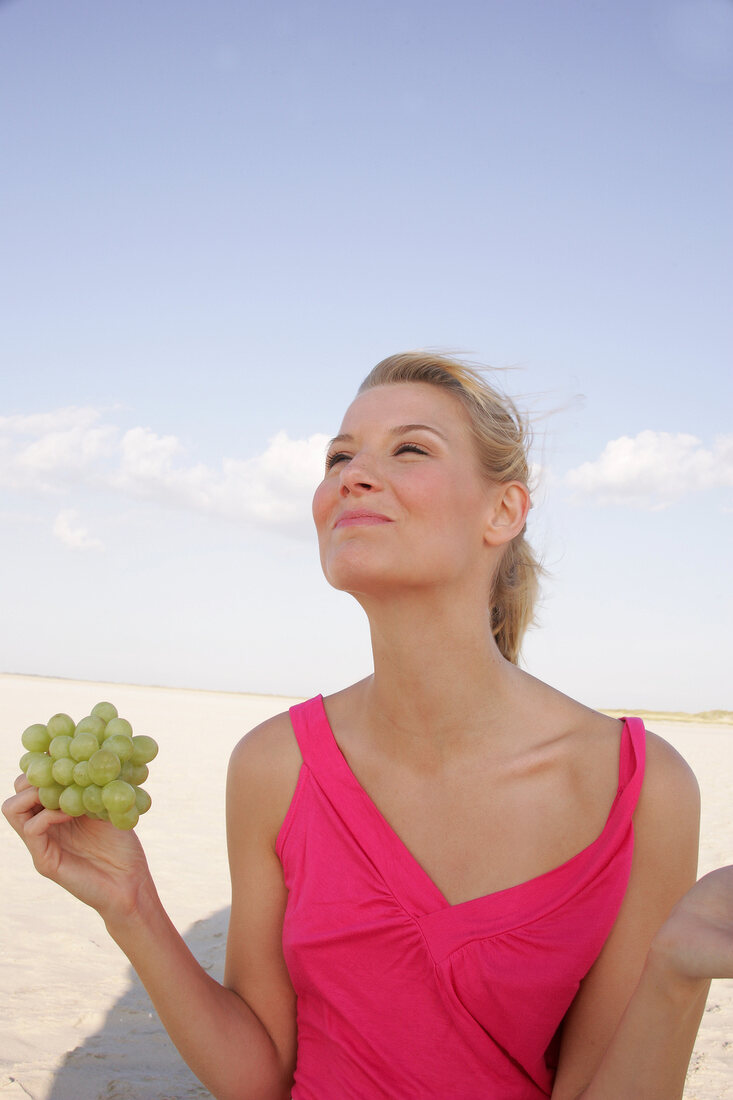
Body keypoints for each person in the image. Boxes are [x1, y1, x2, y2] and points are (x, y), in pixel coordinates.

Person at [4, 351, 733, 1100]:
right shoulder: (273, 764)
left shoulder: (639, 788)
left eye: (409, 448)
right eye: (338, 456)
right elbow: (259, 1077)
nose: (350, 474)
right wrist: (131, 906)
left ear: (503, 511)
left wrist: (673, 977)